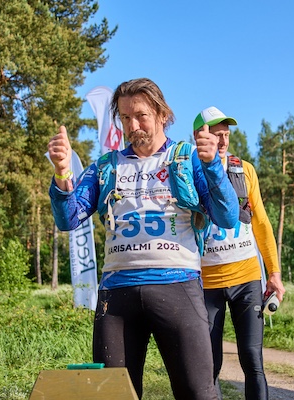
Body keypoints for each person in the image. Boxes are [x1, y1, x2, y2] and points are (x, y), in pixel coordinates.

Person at [47, 78, 240, 400]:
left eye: (141, 116)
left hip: (177, 285)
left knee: (199, 393)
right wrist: (62, 172)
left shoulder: (186, 158)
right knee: (113, 396)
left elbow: (227, 217)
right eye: (125, 117)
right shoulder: (106, 166)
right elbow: (68, 219)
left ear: (162, 114)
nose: (132, 125)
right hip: (117, 294)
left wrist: (212, 167)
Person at [193, 106, 285, 400]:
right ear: (199, 136)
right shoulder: (188, 170)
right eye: (215, 134)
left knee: (253, 360)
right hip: (207, 283)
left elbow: (261, 223)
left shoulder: (244, 169)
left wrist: (274, 273)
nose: (222, 141)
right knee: (210, 364)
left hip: (247, 278)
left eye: (226, 134)